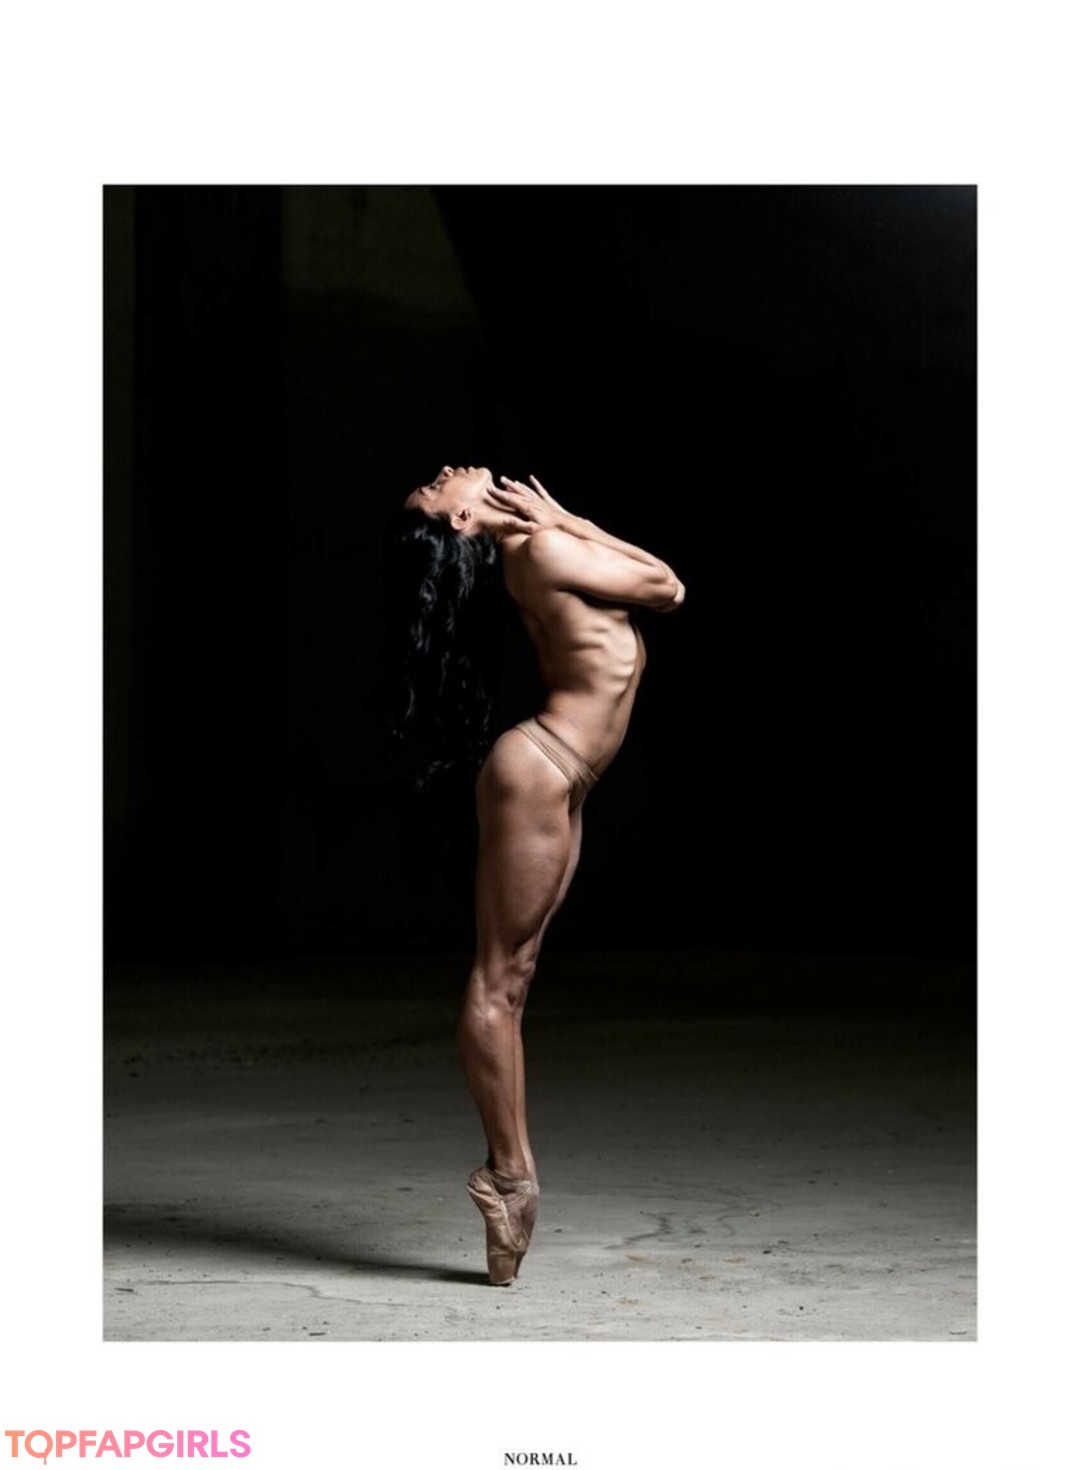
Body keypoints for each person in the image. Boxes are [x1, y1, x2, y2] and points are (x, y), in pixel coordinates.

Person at [395, 465, 685, 1284]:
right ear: (461, 522)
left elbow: (659, 587)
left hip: (563, 775)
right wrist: (573, 521)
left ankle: (509, 1182)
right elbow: (668, 588)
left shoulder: (538, 546)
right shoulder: (543, 550)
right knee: (499, 979)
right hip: (541, 770)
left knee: (512, 981)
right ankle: (508, 1174)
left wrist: (567, 519)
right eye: (434, 489)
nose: (444, 474)